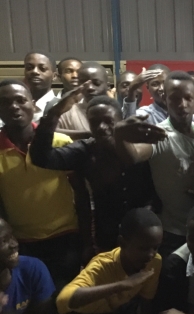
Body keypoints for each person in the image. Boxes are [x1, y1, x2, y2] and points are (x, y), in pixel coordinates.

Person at [114, 71, 194, 258]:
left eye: (188, 98)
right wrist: (119, 135)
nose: (182, 105)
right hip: (173, 232)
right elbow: (133, 156)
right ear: (165, 99)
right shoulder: (161, 134)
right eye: (175, 99)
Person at [30, 89, 158, 253]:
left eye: (108, 121)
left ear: (120, 121)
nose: (101, 127)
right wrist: (54, 115)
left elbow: (142, 169)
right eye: (94, 122)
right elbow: (41, 158)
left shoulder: (139, 143)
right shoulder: (84, 150)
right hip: (107, 234)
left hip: (146, 230)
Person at [0, 79, 83, 289]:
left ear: (33, 104)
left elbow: (81, 193)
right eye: (5, 102)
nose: (14, 106)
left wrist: (87, 239)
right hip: (22, 244)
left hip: (66, 238)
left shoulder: (60, 142)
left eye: (20, 100)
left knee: (65, 297)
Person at [57, 61, 110, 133]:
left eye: (96, 83)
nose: (90, 87)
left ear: (108, 86)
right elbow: (49, 132)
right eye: (84, 84)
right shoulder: (67, 114)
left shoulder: (117, 112)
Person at [23, 51, 57, 122]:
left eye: (42, 68)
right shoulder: (14, 107)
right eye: (29, 68)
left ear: (54, 76)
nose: (35, 71)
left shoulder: (62, 107)